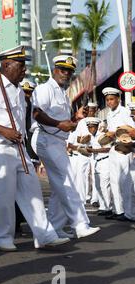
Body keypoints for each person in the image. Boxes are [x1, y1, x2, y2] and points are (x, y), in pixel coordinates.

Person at [0, 46, 70, 251]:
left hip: (18, 149)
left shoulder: (18, 91)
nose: (24, 70)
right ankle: (3, 238)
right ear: (7, 65)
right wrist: (3, 131)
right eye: (21, 65)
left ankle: (44, 235)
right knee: (3, 197)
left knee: (33, 191)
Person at [31, 55, 100, 239]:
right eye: (63, 70)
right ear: (55, 69)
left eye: (69, 71)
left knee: (59, 186)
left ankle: (55, 227)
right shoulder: (45, 88)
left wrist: (75, 119)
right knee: (68, 180)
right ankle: (80, 224)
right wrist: (58, 124)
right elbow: (37, 113)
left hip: (57, 140)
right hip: (46, 138)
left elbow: (64, 124)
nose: (66, 74)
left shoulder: (62, 92)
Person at [101, 88, 135, 222]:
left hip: (124, 149)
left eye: (112, 99)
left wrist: (115, 132)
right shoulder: (109, 114)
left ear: (118, 99)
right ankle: (119, 210)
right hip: (113, 149)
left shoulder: (125, 112)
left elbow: (132, 130)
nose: (109, 102)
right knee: (114, 181)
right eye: (107, 100)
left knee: (125, 183)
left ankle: (130, 213)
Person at [84, 118, 113, 217]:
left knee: (105, 185)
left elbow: (108, 148)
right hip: (96, 162)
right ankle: (103, 207)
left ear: (96, 127)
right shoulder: (91, 137)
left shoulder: (101, 136)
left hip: (105, 160)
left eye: (92, 127)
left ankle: (108, 207)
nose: (90, 129)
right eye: (89, 127)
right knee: (97, 185)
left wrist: (93, 150)